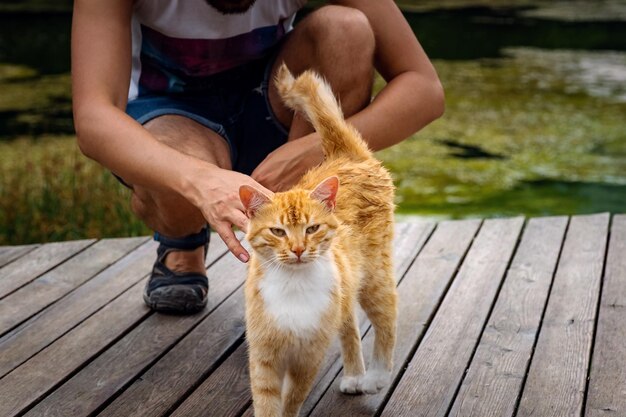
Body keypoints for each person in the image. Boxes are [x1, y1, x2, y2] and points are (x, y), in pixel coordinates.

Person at [71, 0, 445, 314]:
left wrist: (314, 148)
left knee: (347, 30)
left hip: (272, 103)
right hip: (171, 113)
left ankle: (292, 266)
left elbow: (424, 88)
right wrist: (202, 181)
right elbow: (93, 117)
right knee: (177, 189)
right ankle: (182, 240)